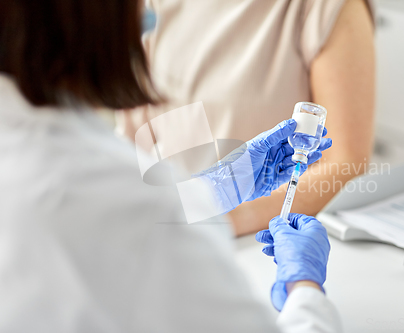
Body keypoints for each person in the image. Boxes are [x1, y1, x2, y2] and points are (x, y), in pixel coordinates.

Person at [0, 0, 341, 332]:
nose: (147, 12)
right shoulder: (112, 194)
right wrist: (305, 287)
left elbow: (111, 216)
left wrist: (224, 183)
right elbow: (124, 215)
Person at [118, 0, 376, 235]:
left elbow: (346, 166)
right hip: (156, 227)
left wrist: (220, 217)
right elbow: (129, 144)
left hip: (243, 240)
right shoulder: (156, 7)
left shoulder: (325, 8)